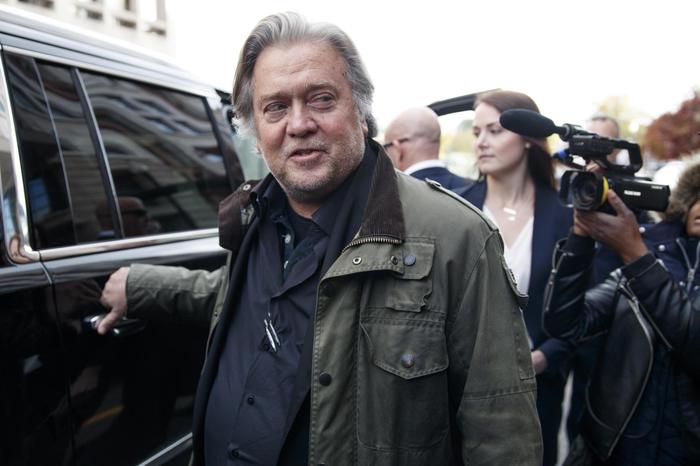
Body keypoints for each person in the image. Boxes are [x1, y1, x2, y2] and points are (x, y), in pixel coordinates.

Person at [98, 12, 542, 466]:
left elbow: (502, 433)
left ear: (361, 110)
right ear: (254, 127)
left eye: (321, 99)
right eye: (275, 107)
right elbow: (232, 297)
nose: (299, 123)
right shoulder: (254, 216)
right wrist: (141, 286)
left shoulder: (457, 238)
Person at [543, 162, 700, 465]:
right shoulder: (656, 258)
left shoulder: (643, 260)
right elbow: (565, 324)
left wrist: (635, 254)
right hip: (613, 449)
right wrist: (581, 237)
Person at [457, 90, 573, 466]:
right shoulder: (456, 209)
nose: (482, 142)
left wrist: (543, 358)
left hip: (535, 397)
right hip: (457, 392)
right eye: (477, 132)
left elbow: (583, 312)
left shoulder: (566, 219)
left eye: (495, 130)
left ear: (527, 137)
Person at [383, 106, 471, 190]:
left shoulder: (391, 196)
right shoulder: (472, 190)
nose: (385, 154)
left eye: (386, 147)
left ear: (397, 149)